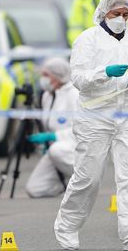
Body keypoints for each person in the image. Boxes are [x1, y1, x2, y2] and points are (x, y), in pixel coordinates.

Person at [55, 0, 128, 251]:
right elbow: (78, 79)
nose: (121, 19)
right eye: (116, 14)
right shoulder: (87, 40)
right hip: (94, 116)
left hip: (127, 114)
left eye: (125, 15)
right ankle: (67, 226)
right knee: (88, 178)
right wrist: (104, 73)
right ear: (104, 13)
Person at [25, 57, 79, 198]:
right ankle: (68, 184)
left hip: (75, 148)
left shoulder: (74, 94)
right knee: (35, 189)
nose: (43, 79)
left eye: (46, 75)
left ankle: (86, 181)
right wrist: (46, 142)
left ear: (58, 75)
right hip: (57, 150)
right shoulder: (47, 96)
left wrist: (54, 137)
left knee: (57, 150)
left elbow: (83, 128)